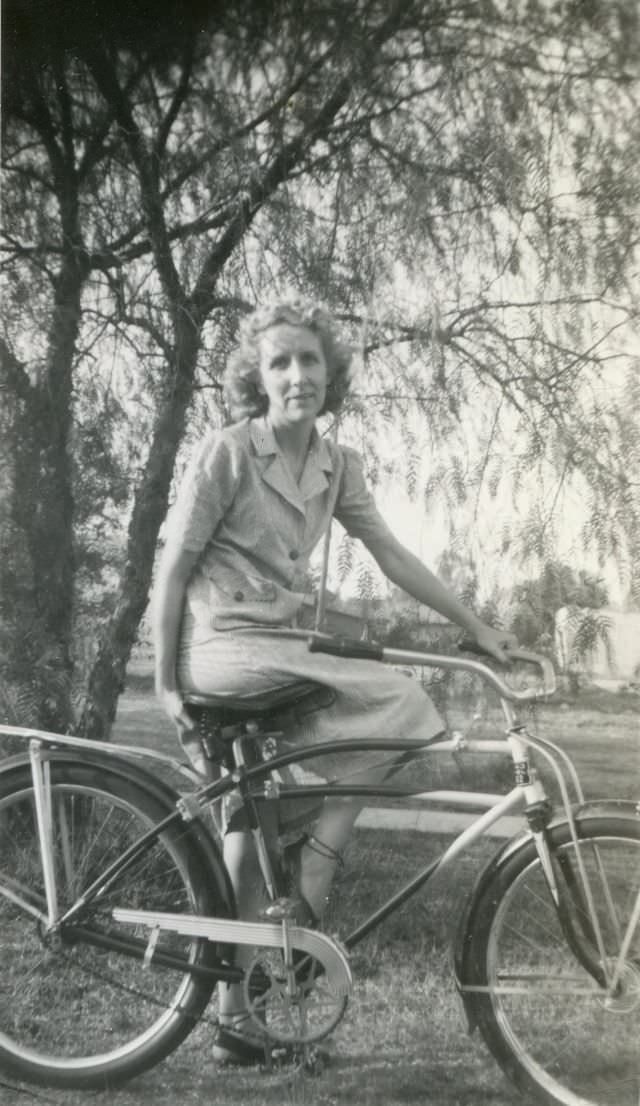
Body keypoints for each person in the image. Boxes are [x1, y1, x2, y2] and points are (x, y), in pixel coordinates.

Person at [153, 297, 516, 1065]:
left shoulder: (336, 464)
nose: (297, 375)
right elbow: (174, 568)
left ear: (330, 375)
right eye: (280, 362)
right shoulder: (227, 451)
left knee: (258, 813)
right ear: (258, 375)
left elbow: (392, 554)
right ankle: (311, 883)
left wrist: (477, 625)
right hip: (222, 648)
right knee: (402, 699)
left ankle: (239, 1016)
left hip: (279, 650)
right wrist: (163, 686)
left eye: (310, 361)